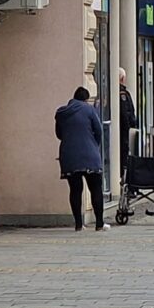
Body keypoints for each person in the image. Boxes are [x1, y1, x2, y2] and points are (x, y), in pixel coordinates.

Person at [56, 87, 109, 232]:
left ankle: (79, 225)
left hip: (69, 156)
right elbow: (98, 131)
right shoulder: (89, 110)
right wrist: (92, 145)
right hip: (90, 155)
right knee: (95, 189)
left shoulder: (61, 113)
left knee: (75, 190)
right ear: (86, 100)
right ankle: (99, 223)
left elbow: (59, 134)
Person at [118, 68, 137, 176]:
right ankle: (125, 179)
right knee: (125, 157)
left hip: (121, 132)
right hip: (124, 133)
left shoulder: (114, 93)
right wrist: (130, 127)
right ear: (123, 78)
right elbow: (126, 114)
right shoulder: (123, 94)